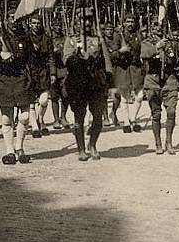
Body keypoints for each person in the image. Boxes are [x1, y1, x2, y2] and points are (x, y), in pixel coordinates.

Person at [63, 8, 110, 161]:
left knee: (97, 116)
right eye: (83, 19)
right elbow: (66, 60)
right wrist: (76, 55)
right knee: (79, 117)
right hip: (78, 83)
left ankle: (93, 145)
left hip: (95, 83)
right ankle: (81, 149)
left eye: (90, 19)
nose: (87, 22)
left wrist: (108, 82)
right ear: (77, 21)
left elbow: (106, 63)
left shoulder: (98, 39)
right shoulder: (71, 39)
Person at [0, 10, 35, 164]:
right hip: (4, 79)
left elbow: (30, 58)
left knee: (25, 116)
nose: (14, 22)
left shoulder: (25, 37)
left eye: (17, 19)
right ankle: (9, 151)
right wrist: (0, 56)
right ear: (6, 20)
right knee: (6, 118)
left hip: (22, 79)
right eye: (11, 18)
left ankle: (20, 148)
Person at [141, 24, 179, 154]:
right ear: (151, 30)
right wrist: (157, 47)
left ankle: (169, 142)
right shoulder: (146, 42)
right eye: (155, 28)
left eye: (160, 28)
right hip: (153, 80)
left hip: (169, 80)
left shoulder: (170, 42)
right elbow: (144, 54)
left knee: (171, 112)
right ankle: (158, 143)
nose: (158, 30)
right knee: (156, 114)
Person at [112, 15, 145, 132]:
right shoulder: (118, 35)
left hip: (136, 68)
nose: (130, 24)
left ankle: (133, 118)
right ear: (124, 23)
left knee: (140, 96)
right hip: (124, 69)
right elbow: (113, 54)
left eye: (132, 21)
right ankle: (126, 123)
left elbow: (142, 49)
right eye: (128, 22)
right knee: (124, 97)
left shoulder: (139, 35)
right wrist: (121, 51)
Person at [26, 14, 55, 138]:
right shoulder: (26, 38)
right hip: (30, 72)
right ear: (30, 24)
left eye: (38, 23)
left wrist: (53, 73)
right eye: (33, 23)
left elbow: (51, 57)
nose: (36, 26)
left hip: (43, 72)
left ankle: (40, 119)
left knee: (43, 100)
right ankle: (35, 127)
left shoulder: (46, 38)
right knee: (31, 102)